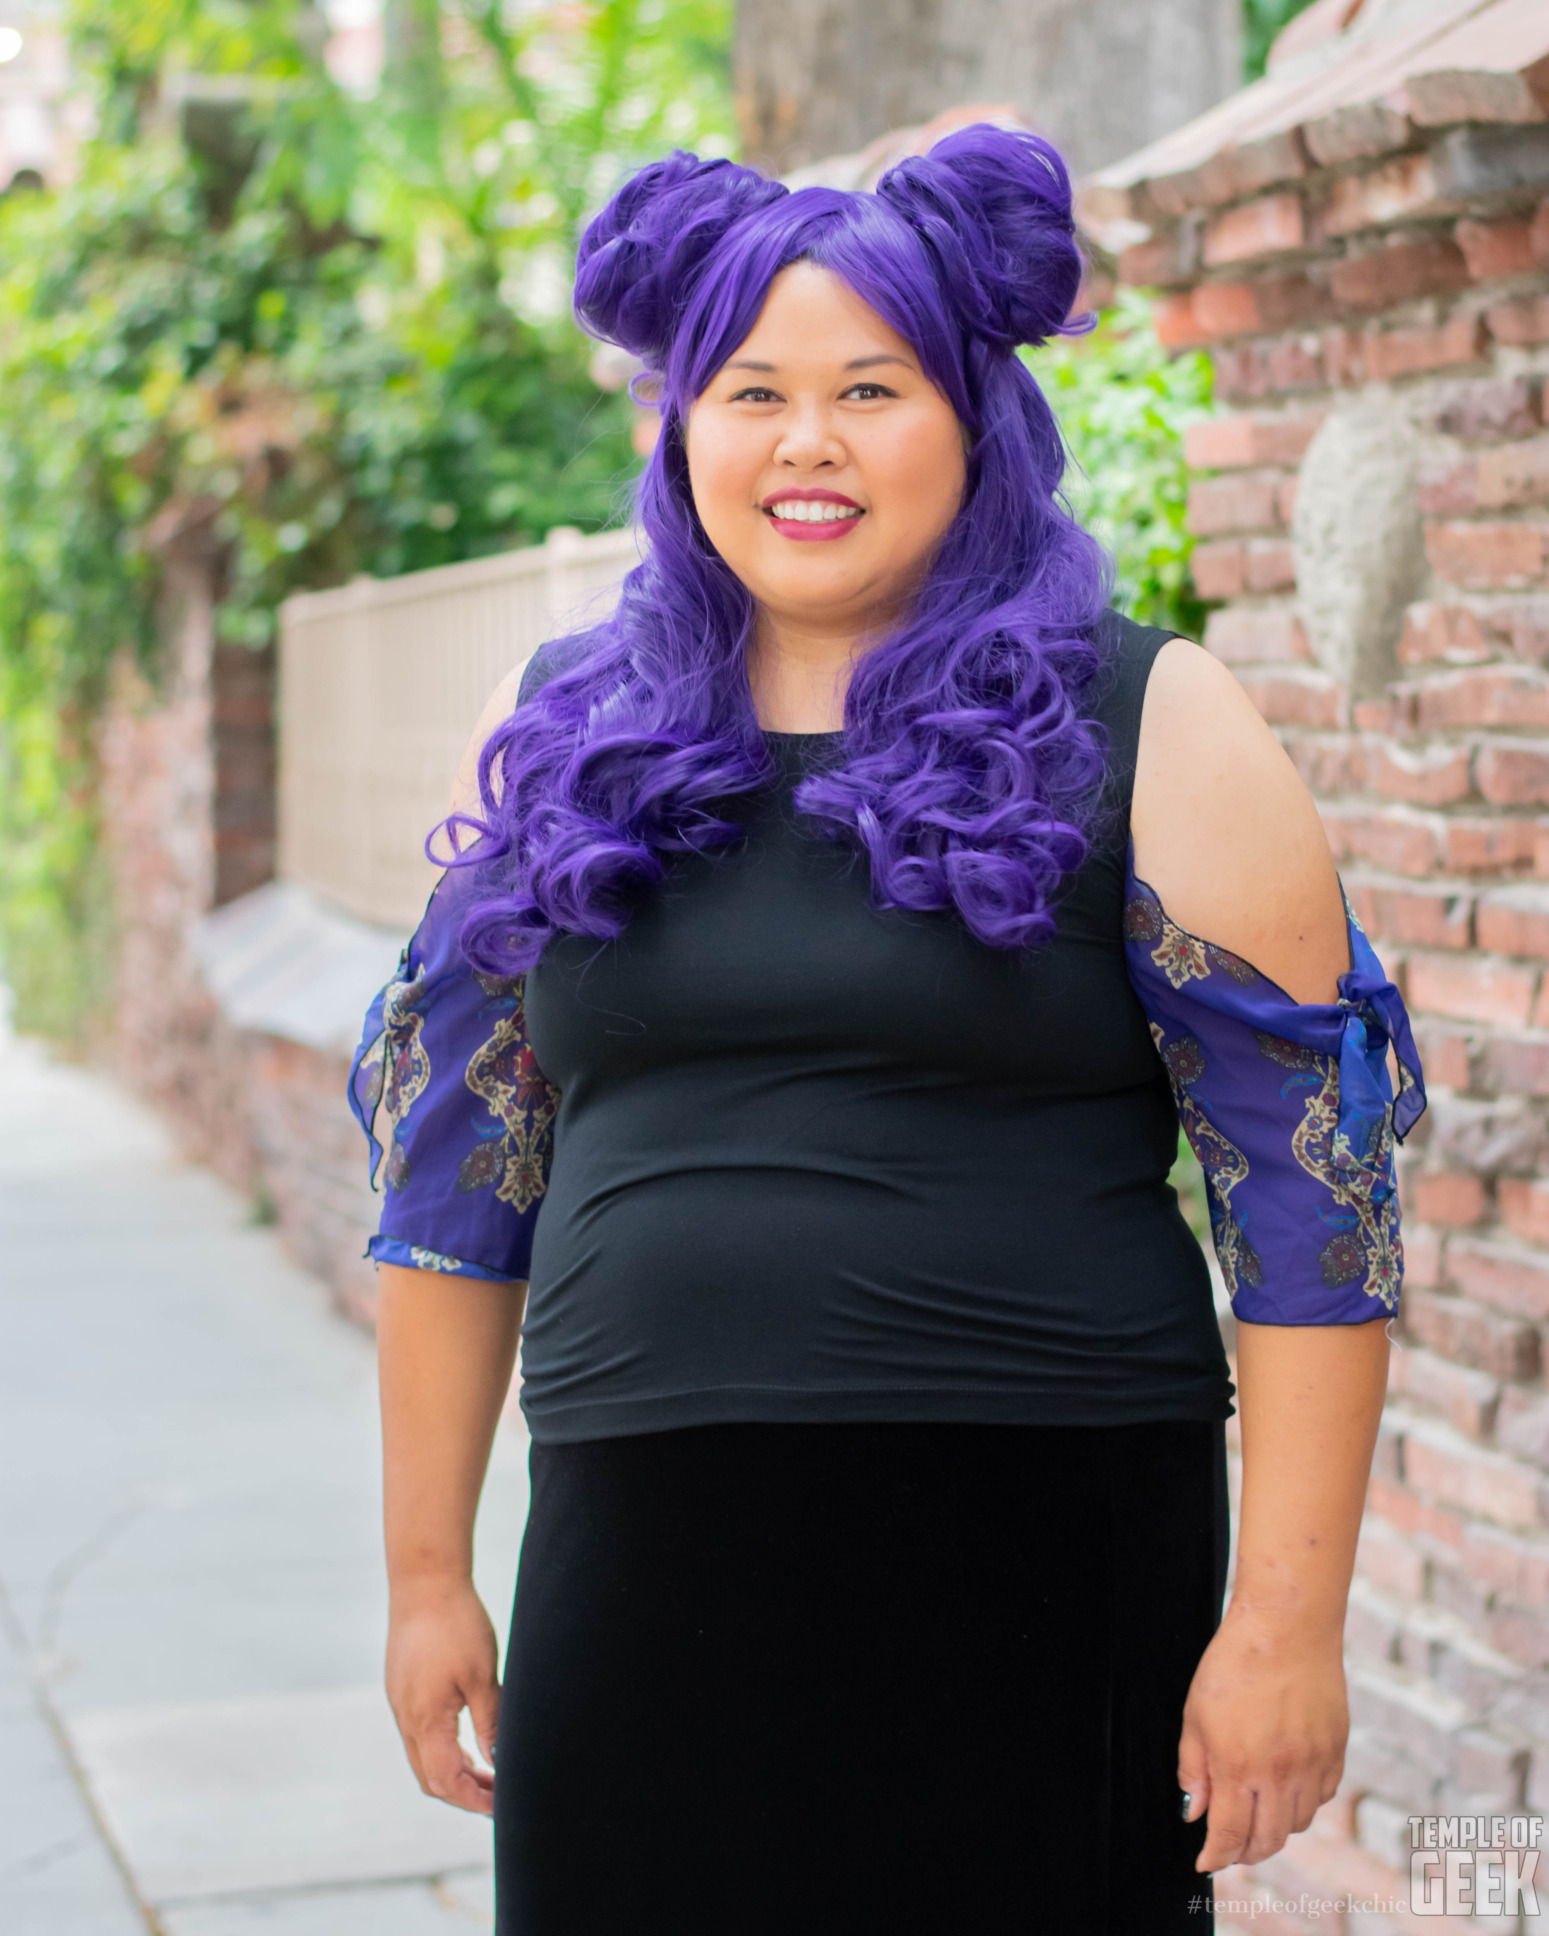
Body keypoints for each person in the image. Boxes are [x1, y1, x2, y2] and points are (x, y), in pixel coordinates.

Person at [349, 125, 1425, 1933]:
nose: (805, 443)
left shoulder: (1150, 715)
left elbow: (1313, 1208)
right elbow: (460, 1172)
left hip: (1041, 1530)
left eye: (871, 387)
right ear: (681, 428)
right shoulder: (561, 727)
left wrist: (1283, 1623)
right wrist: (422, 1575)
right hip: (642, 1534)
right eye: (749, 391)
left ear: (976, 418)